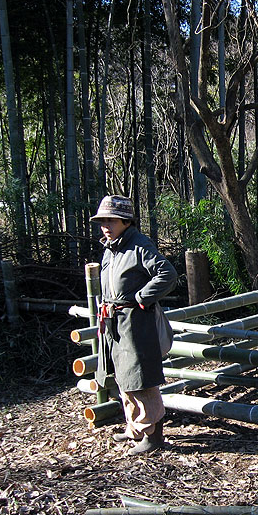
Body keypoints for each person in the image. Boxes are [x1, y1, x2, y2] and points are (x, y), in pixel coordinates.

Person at [91, 194, 178, 455]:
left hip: (135, 322)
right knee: (124, 377)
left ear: (126, 222)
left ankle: (154, 436)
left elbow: (167, 274)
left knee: (141, 379)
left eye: (111, 221)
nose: (105, 226)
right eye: (103, 221)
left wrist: (142, 297)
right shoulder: (111, 248)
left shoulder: (139, 245)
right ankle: (135, 428)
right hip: (114, 322)